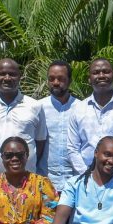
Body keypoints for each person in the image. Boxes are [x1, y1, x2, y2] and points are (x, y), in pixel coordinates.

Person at [65, 58, 113, 179]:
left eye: (106, 71)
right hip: (84, 181)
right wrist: (87, 176)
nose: (101, 75)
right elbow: (72, 148)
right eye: (96, 73)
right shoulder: (78, 109)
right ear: (89, 78)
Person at [0, 58, 48, 179]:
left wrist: (28, 161)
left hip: (27, 182)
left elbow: (40, 142)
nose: (7, 78)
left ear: (19, 76)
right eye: (2, 74)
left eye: (12, 74)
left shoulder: (35, 106)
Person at [41, 61, 79, 190]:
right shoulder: (38, 108)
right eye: (51, 79)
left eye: (61, 79)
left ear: (70, 81)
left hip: (76, 181)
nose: (56, 82)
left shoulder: (82, 108)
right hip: (45, 181)